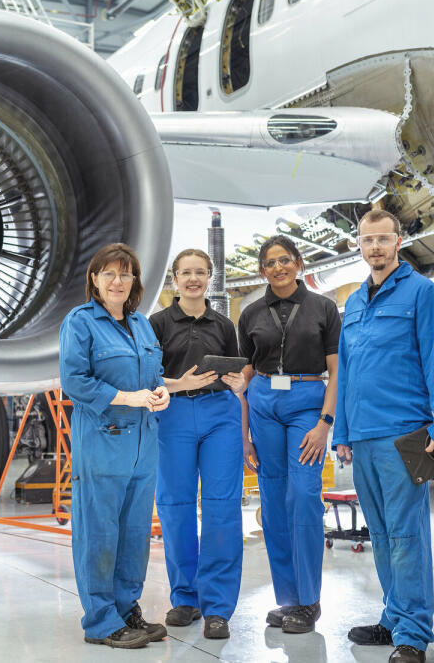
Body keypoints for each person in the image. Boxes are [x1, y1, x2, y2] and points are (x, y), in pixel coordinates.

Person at [332, 209, 434, 663]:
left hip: (404, 434)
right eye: (368, 241)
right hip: (363, 436)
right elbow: (346, 372)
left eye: (383, 240)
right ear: (360, 245)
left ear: (398, 241)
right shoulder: (353, 301)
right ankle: (394, 617)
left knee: (406, 535)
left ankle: (414, 632)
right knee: (383, 534)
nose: (375, 248)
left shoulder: (421, 293)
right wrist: (342, 433)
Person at [58, 242, 170, 649]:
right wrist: (127, 398)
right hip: (103, 443)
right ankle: (101, 621)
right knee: (99, 533)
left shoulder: (141, 324)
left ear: (134, 281)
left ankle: (126, 609)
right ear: (95, 280)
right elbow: (75, 381)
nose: (118, 281)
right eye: (109, 273)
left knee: (135, 532)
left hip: (143, 445)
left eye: (125, 274)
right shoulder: (80, 322)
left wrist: (161, 394)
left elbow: (154, 376)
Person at [238, 234, 340, 635]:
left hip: (307, 400)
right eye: (270, 263)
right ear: (262, 270)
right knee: (274, 500)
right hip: (263, 400)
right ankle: (289, 599)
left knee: (303, 494)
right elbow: (245, 374)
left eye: (285, 260)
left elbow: (337, 371)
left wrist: (325, 423)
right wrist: (245, 435)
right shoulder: (250, 313)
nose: (278, 268)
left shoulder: (323, 308)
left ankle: (310, 599)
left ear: (298, 263)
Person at [149, 249, 248, 640]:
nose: (193, 279)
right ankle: (185, 598)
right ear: (174, 278)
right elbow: (149, 375)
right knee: (175, 506)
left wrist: (239, 383)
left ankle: (218, 607)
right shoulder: (156, 324)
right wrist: (179, 385)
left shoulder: (224, 324)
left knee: (223, 507)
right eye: (185, 272)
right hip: (173, 415)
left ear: (211, 277)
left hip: (219, 414)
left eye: (200, 272)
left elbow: (235, 372)